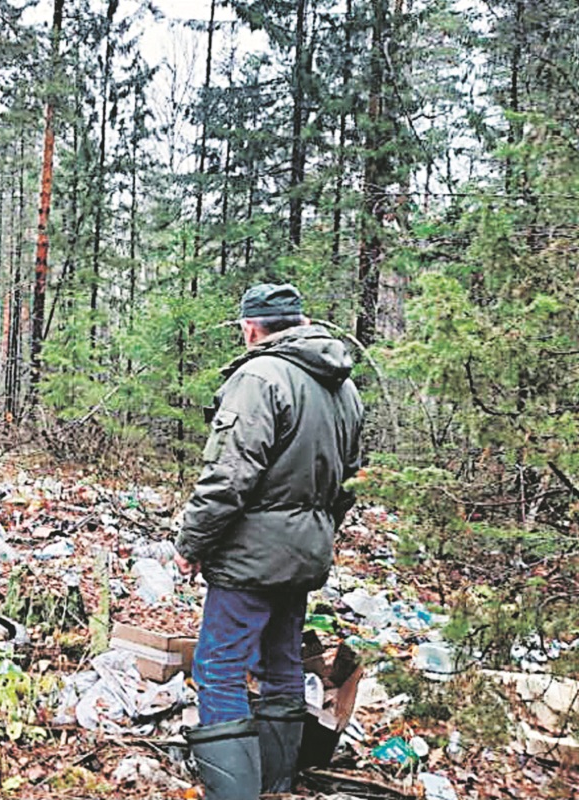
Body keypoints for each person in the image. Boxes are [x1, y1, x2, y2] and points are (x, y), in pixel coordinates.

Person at [175, 283, 364, 800]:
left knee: (218, 667)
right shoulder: (343, 388)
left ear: (252, 328)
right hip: (305, 554)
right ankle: (276, 784)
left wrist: (191, 542)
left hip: (250, 558)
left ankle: (234, 792)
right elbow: (350, 481)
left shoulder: (259, 377)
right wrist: (315, 533)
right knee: (280, 664)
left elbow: (228, 477)